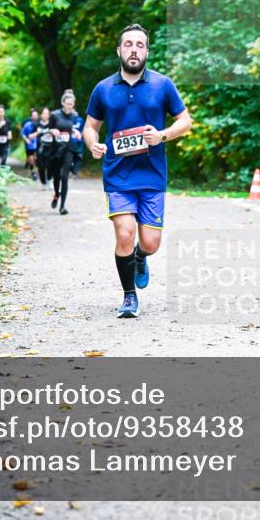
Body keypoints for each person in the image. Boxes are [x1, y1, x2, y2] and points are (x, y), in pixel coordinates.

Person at [84, 24, 193, 318]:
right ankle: (129, 297)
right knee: (124, 233)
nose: (134, 50)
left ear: (146, 51)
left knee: (150, 242)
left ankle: (140, 257)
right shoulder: (103, 89)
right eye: (128, 44)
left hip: (152, 175)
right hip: (118, 176)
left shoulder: (162, 85)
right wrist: (93, 144)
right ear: (119, 50)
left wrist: (163, 135)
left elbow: (185, 121)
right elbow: (90, 127)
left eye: (140, 45)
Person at [49, 90, 81, 215]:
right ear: (63, 103)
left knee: (64, 176)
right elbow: (48, 128)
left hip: (68, 148)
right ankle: (57, 194)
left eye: (71, 104)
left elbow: (69, 127)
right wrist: (52, 130)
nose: (69, 106)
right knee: (56, 176)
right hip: (56, 148)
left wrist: (75, 132)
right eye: (67, 104)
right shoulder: (54, 115)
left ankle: (62, 206)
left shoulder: (74, 115)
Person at [31, 107, 54, 186]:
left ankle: (49, 179)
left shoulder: (52, 124)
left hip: (50, 148)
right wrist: (37, 133)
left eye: (46, 113)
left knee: (50, 165)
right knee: (41, 166)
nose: (45, 115)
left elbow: (57, 133)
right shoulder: (37, 124)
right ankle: (43, 182)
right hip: (40, 148)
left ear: (49, 115)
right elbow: (30, 136)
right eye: (43, 113)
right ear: (41, 115)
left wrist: (52, 132)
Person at [21, 108, 40, 180]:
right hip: (30, 145)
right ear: (31, 117)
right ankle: (33, 172)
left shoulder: (40, 124)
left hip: (38, 144)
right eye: (33, 115)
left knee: (37, 158)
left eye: (36, 115)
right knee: (31, 158)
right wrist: (26, 140)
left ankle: (36, 172)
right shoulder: (27, 124)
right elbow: (23, 134)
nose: (35, 117)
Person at [70, 107, 85, 177]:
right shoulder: (67, 120)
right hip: (69, 142)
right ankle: (70, 169)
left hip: (78, 142)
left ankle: (74, 171)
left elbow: (84, 130)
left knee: (79, 157)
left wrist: (81, 136)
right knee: (69, 157)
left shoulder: (80, 120)